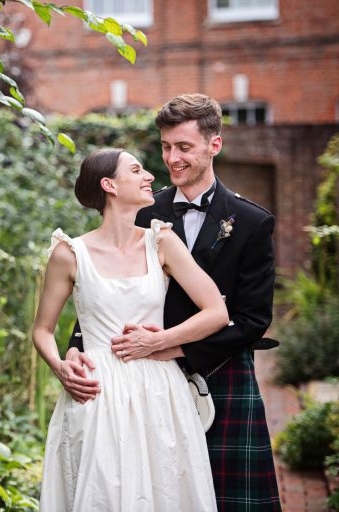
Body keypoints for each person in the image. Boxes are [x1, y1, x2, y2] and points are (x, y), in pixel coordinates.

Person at [66, 93, 282, 510]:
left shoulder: (252, 222)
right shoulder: (144, 209)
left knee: (228, 501)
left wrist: (169, 346)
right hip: (141, 382)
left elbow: (253, 318)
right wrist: (77, 348)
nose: (172, 158)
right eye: (166, 147)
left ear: (213, 145)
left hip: (222, 374)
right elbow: (102, 288)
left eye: (184, 147)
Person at [34, 147, 228, 510]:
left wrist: (158, 342)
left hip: (160, 391)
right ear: (109, 184)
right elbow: (42, 330)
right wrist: (60, 367)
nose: (150, 177)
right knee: (101, 494)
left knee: (166, 492)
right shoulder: (69, 254)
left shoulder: (161, 242)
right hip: (96, 392)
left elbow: (216, 311)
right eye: (137, 170)